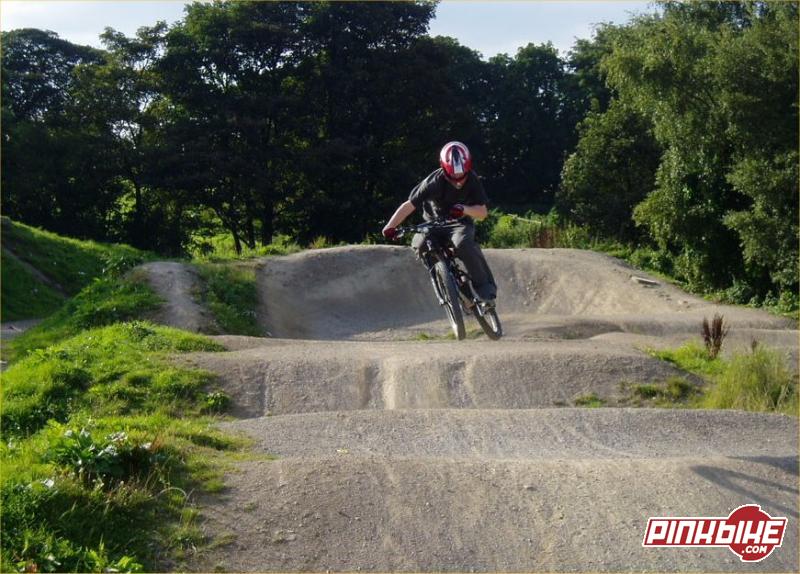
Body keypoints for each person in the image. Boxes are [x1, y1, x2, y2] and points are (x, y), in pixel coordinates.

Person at [382, 141, 497, 303]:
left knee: (463, 244)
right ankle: (442, 278)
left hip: (459, 224)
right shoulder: (432, 182)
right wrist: (390, 226)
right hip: (433, 224)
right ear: (444, 169)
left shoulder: (472, 179)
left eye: (462, 176)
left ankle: (486, 291)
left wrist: (463, 209)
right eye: (453, 177)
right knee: (419, 244)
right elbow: (409, 205)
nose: (458, 181)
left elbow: (482, 213)